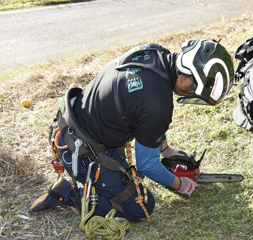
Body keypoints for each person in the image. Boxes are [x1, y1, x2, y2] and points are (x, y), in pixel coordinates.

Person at [30, 39, 234, 221]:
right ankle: (68, 193)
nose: (191, 95)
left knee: (130, 180)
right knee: (141, 207)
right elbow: (147, 165)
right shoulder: (159, 105)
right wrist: (179, 184)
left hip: (72, 120)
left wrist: (165, 149)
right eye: (194, 90)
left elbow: (140, 109)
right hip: (81, 149)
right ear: (185, 77)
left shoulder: (156, 53)